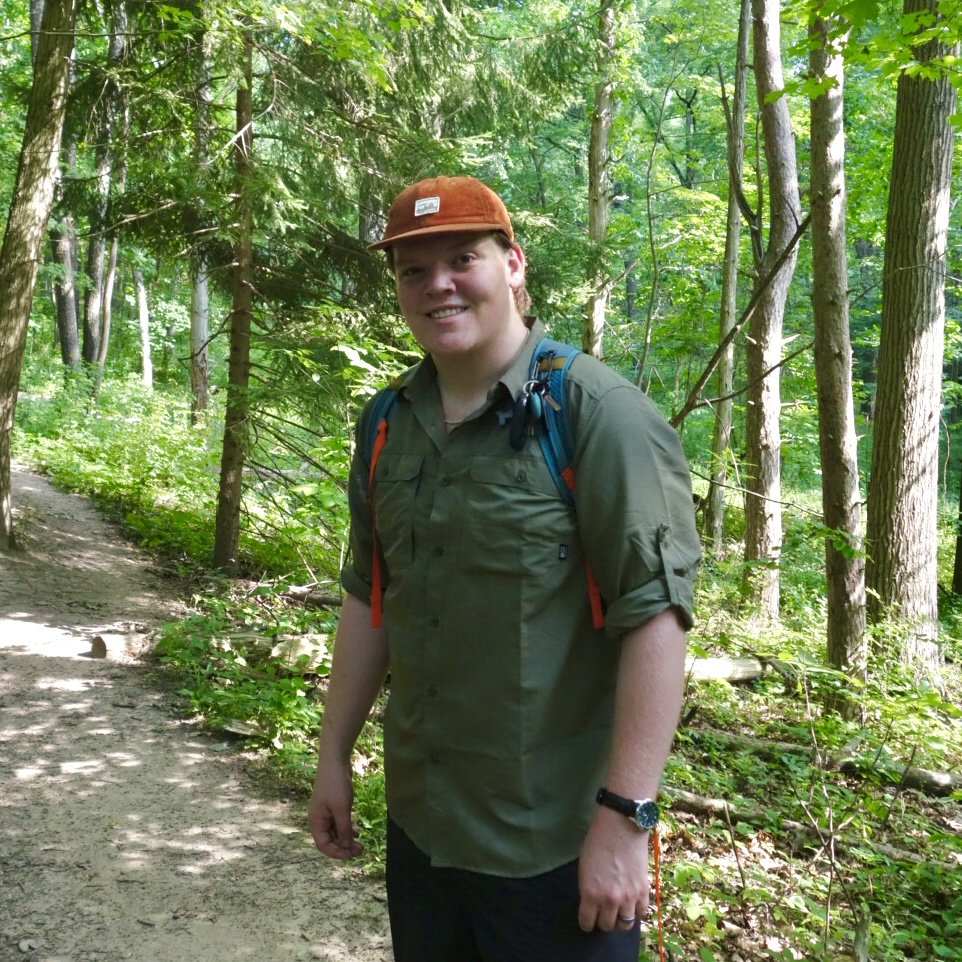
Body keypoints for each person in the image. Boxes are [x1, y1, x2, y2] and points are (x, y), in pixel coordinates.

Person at [308, 175, 701, 962]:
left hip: (556, 849)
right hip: (424, 830)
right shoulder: (387, 423)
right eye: (414, 270)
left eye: (463, 259)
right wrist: (333, 755)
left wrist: (626, 819)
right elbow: (370, 596)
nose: (438, 285)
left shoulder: (596, 414)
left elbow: (656, 618)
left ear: (513, 264)